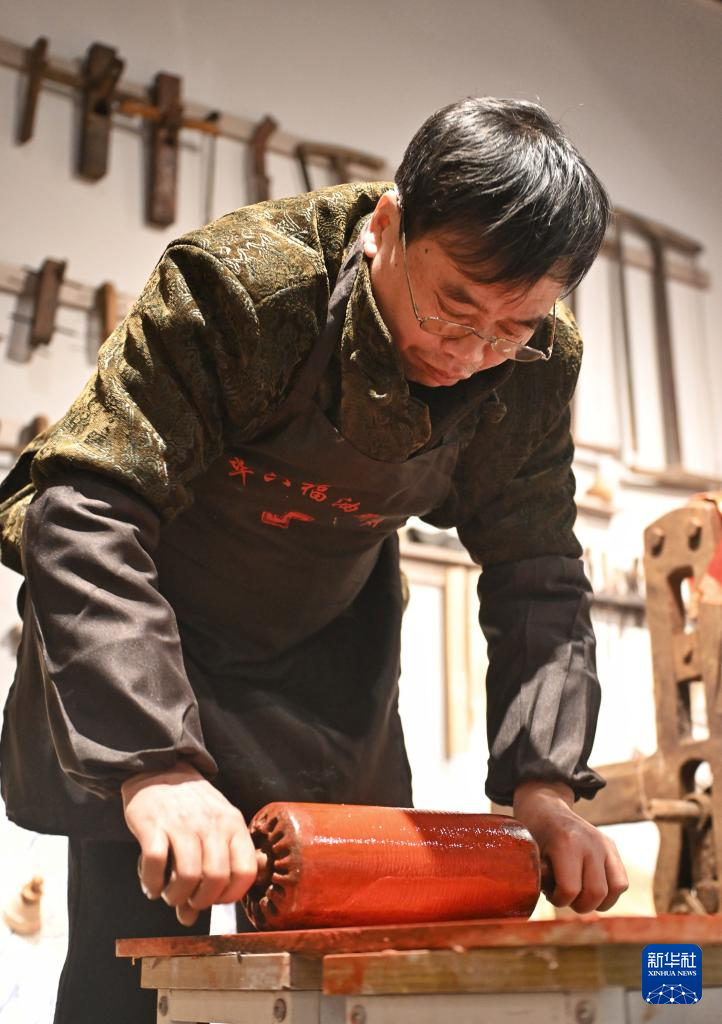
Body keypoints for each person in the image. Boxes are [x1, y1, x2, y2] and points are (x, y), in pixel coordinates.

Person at [0, 97, 627, 1022]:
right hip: (150, 640)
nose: (471, 352)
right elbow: (85, 509)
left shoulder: (533, 360)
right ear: (387, 226)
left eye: (512, 327)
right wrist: (155, 765)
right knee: (132, 970)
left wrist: (545, 784)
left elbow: (537, 570)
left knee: (355, 964)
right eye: (454, 306)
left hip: (327, 661)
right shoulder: (246, 288)